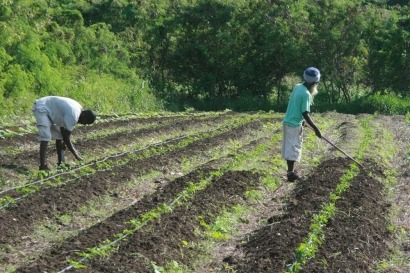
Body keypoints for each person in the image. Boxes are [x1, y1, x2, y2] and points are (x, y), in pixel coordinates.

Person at [32, 96, 96, 171]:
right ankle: (42, 166)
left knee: (59, 136)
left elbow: (63, 131)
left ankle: (61, 163)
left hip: (49, 109)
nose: (83, 124)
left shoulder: (78, 108)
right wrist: (76, 154)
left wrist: (64, 142)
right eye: (86, 122)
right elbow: (66, 137)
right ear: (84, 116)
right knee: (46, 136)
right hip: (42, 108)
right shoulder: (74, 115)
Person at [282, 67, 322, 182]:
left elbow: (297, 106)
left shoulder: (298, 87)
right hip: (293, 124)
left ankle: (291, 172)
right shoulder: (306, 94)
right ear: (315, 82)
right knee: (293, 148)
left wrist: (303, 121)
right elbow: (305, 113)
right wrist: (316, 129)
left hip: (289, 121)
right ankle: (290, 173)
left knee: (291, 147)